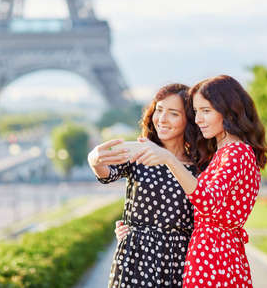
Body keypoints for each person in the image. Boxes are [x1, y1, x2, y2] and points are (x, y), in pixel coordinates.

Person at [129, 75, 267, 287]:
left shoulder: (236, 152)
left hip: (215, 257)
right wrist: (135, 228)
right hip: (213, 253)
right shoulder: (224, 153)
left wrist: (169, 159)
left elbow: (207, 201)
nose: (197, 120)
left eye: (206, 111)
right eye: (196, 112)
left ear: (228, 111)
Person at [87, 83, 212, 288]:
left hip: (180, 260)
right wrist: (94, 160)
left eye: (173, 113)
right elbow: (107, 174)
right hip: (136, 258)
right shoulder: (139, 152)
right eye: (159, 110)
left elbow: (208, 210)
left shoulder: (201, 166)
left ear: (188, 120)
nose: (162, 119)